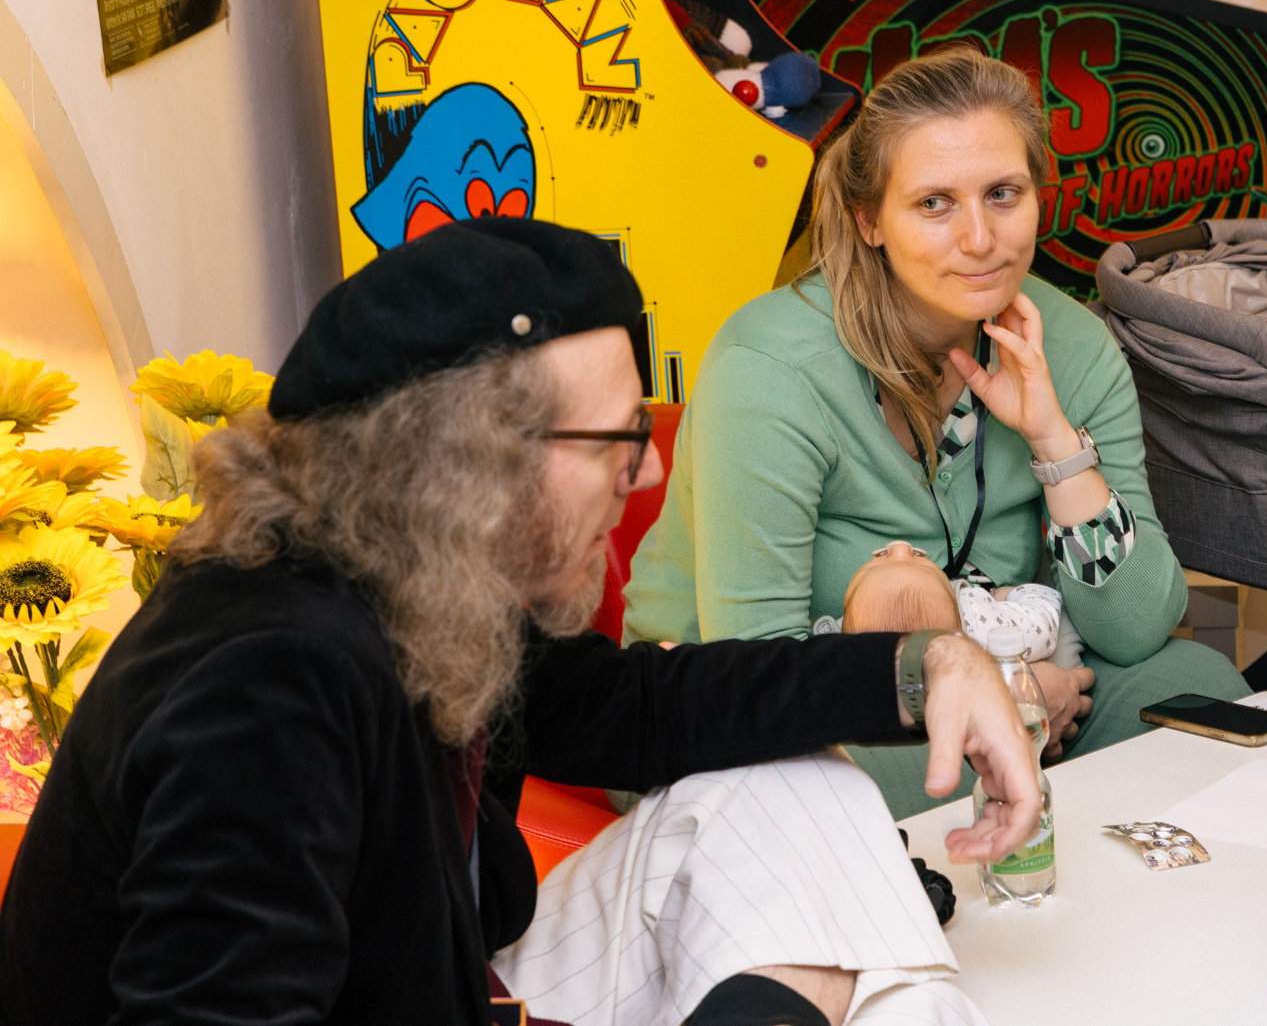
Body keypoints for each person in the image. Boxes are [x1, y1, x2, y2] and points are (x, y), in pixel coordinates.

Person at [0, 218, 1042, 1026]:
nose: (651, 470)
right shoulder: (270, 686)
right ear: (473, 462)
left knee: (799, 783)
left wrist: (930, 666)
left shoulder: (414, 571)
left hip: (463, 980)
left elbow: (635, 709)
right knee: (856, 975)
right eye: (619, 439)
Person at [625, 47, 1249, 817]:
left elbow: (1136, 629)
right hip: (766, 722)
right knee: (868, 774)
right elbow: (757, 677)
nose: (980, 237)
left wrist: (1055, 441)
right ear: (869, 219)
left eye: (1003, 193)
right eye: (934, 203)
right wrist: (1011, 708)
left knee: (1204, 694)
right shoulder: (771, 365)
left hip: (1006, 692)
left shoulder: (1074, 345)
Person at [837, 539, 1080, 667]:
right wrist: (1016, 594)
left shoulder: (844, 640)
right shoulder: (980, 625)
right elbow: (1043, 616)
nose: (900, 547)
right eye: (923, 567)